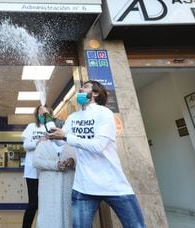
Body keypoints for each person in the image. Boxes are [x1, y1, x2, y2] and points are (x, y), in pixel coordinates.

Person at [47, 80, 146, 228]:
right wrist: (48, 122)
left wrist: (66, 136)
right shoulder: (73, 117)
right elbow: (60, 143)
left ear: (95, 93)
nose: (80, 89)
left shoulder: (105, 113)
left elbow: (98, 146)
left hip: (113, 184)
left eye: (85, 87)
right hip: (83, 187)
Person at [32, 134, 75, 228]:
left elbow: (82, 162)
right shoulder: (42, 145)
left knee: (67, 214)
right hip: (48, 187)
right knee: (47, 213)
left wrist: (73, 161)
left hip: (67, 186)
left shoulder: (72, 145)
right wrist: (55, 165)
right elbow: (36, 162)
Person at [21, 105, 50, 228]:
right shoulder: (31, 127)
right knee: (33, 204)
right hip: (32, 171)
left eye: (45, 113)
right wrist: (39, 141)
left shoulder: (52, 127)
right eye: (40, 113)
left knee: (46, 204)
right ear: (36, 114)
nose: (42, 115)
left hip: (47, 170)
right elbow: (26, 146)